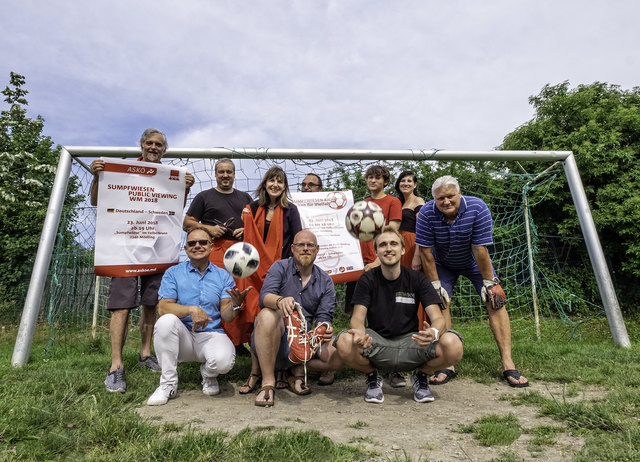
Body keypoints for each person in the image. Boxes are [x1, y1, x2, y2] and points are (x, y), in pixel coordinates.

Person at [90, 128, 195, 393]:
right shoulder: (120, 171)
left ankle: (146, 353)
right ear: (141, 146)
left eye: (158, 144)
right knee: (122, 306)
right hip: (124, 249)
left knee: (152, 303)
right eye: (149, 143)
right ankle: (116, 367)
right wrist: (96, 177)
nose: (153, 147)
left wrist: (185, 187)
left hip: (157, 249)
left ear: (164, 149)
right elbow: (96, 201)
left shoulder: (169, 177)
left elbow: (174, 210)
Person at [416, 175, 529, 388]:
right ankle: (447, 363)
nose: (446, 201)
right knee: (440, 301)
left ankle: (507, 362)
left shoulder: (478, 207)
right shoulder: (426, 213)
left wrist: (489, 283)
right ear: (434, 199)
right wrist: (435, 285)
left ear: (459, 194)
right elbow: (426, 253)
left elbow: (480, 249)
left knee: (495, 299)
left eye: (451, 196)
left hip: (473, 261)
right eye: (441, 198)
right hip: (443, 263)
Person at [336, 227, 464, 404]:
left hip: (412, 344)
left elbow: (438, 318)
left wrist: (433, 332)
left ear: (403, 250)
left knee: (453, 344)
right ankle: (372, 377)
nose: (388, 248)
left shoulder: (418, 279)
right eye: (383, 245)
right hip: (376, 344)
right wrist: (359, 333)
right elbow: (357, 318)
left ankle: (421, 376)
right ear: (377, 251)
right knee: (344, 341)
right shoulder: (367, 279)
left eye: (393, 244)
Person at [146, 227, 252, 405]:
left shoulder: (223, 276)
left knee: (224, 362)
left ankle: (209, 375)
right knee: (165, 322)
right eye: (192, 243)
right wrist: (191, 309)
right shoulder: (173, 273)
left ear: (211, 247)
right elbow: (163, 308)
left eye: (203, 242)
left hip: (211, 334)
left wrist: (236, 305)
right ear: (186, 249)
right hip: (181, 337)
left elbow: (227, 317)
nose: (197, 246)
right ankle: (167, 384)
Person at [232, 166, 303, 393]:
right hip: (253, 272)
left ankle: (280, 369)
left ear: (284, 186)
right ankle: (255, 372)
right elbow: (247, 235)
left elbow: (297, 240)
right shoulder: (252, 208)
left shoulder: (291, 210)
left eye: (280, 182)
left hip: (281, 270)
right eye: (272, 181)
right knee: (255, 317)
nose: (275, 185)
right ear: (265, 184)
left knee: (279, 318)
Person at [251, 230, 341, 406]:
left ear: (317, 250)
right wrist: (280, 301)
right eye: (301, 245)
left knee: (340, 353)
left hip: (303, 343)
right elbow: (264, 297)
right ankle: (268, 382)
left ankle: (295, 369)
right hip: (274, 339)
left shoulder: (326, 280)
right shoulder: (280, 267)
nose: (305, 249)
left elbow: (324, 316)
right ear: (293, 248)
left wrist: (325, 328)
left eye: (310, 246)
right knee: (267, 314)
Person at [183, 158, 252, 357]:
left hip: (240, 252)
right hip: (216, 250)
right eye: (221, 172)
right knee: (217, 294)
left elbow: (255, 224)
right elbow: (187, 223)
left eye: (229, 172)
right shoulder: (204, 196)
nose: (225, 175)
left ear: (234, 174)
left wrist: (246, 229)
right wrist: (208, 228)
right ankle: (213, 336)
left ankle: (238, 342)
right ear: (215, 174)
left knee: (239, 294)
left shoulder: (245, 197)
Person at [344, 164, 404, 387]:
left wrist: (378, 261)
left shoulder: (392, 202)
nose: (372, 181)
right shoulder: (361, 204)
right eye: (369, 177)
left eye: (377, 178)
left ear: (385, 181)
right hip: (358, 265)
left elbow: (392, 233)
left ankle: (393, 368)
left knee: (385, 314)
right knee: (357, 312)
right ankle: (365, 363)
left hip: (379, 264)